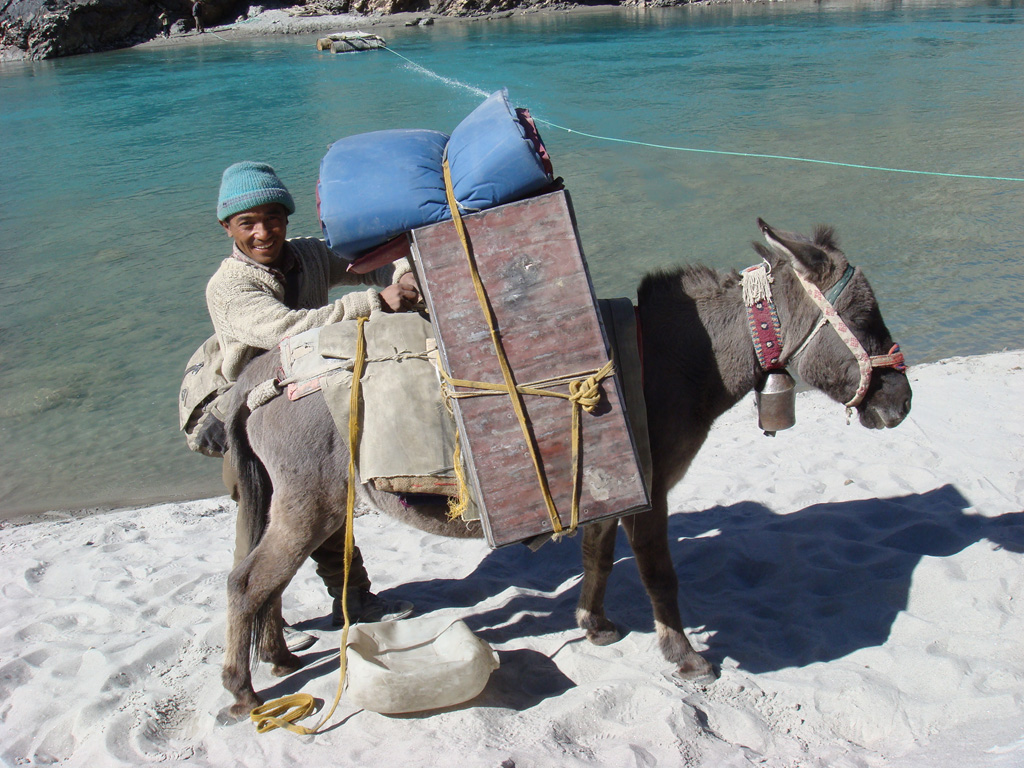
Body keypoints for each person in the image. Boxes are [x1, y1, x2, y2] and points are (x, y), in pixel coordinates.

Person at [201, 161, 418, 651]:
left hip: (307, 400)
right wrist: (376, 302)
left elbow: (372, 261)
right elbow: (289, 330)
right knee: (262, 521)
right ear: (227, 227)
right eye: (247, 223)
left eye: (273, 219)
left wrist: (404, 272)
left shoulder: (308, 255)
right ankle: (262, 623)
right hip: (254, 414)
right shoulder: (229, 287)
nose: (263, 233)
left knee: (325, 505)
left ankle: (354, 600)